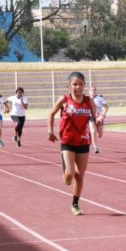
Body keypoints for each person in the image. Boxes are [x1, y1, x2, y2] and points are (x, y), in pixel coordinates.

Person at [47, 72, 99, 216]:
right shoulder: (64, 100)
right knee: (69, 176)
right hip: (67, 141)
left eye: (81, 84)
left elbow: (95, 118)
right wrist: (50, 131)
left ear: (84, 85)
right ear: (69, 85)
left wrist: (99, 128)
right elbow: (51, 114)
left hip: (83, 141)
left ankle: (75, 204)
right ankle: (66, 172)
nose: (78, 87)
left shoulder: (89, 101)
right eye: (75, 84)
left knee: (80, 176)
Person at [88, 86, 108, 154]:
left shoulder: (100, 98)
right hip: (91, 117)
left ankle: (92, 136)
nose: (93, 91)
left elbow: (106, 107)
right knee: (93, 131)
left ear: (96, 91)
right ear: (89, 91)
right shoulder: (87, 99)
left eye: (94, 90)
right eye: (91, 90)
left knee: (100, 135)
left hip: (99, 117)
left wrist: (103, 114)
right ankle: (95, 147)